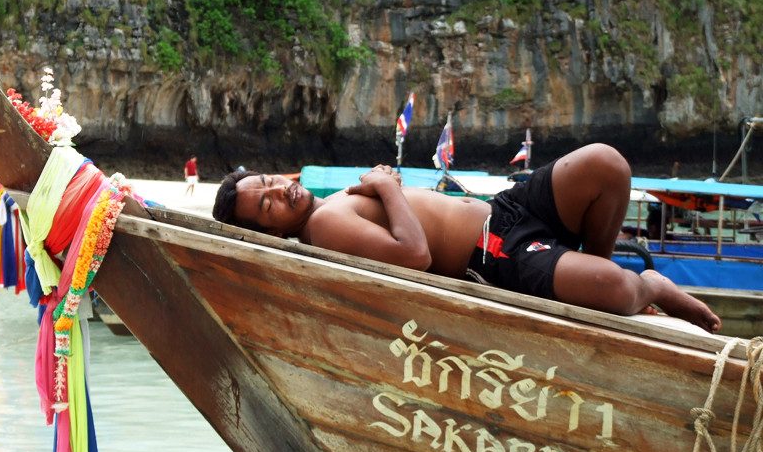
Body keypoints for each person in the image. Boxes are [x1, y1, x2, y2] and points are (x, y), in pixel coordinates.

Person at [212, 144, 721, 334]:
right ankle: (648, 286)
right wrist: (389, 187)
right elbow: (414, 257)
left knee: (607, 164)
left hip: (508, 209)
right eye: (266, 204)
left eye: (267, 181)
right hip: (497, 253)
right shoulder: (322, 227)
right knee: (616, 285)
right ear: (271, 232)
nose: (279, 190)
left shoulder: (331, 205)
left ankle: (590, 274)